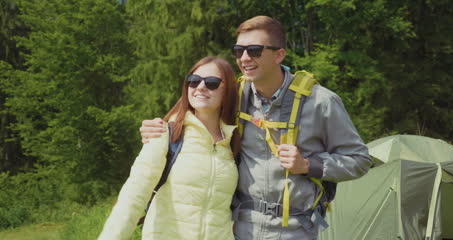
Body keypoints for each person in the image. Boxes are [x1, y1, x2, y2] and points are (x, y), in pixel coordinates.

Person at [140, 16, 372, 240]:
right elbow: (187, 114)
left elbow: (359, 159)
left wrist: (308, 165)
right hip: (241, 228)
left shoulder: (321, 102)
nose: (244, 58)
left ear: (279, 55)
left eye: (254, 50)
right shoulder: (232, 94)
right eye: (239, 51)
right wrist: (159, 129)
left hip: (296, 230)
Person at [99, 56, 239, 240]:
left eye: (212, 83)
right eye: (193, 81)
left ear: (227, 91)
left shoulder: (233, 143)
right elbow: (133, 196)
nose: (200, 87)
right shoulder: (165, 135)